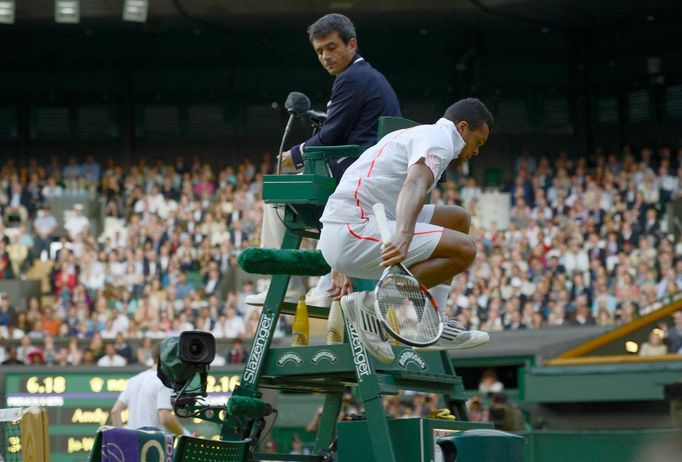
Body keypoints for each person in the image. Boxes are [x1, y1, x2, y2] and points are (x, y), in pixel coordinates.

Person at [318, 98, 492, 362]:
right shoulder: (441, 141)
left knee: (458, 218)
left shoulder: (416, 134)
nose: (477, 151)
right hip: (352, 231)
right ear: (463, 127)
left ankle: (431, 321)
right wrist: (404, 235)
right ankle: (371, 304)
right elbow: (414, 186)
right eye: (478, 142)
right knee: (464, 249)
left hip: (354, 225)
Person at [246, 13, 401, 308]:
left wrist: (292, 156)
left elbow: (330, 138)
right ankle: (324, 285)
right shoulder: (371, 77)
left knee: (278, 198)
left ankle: (281, 287)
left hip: (355, 172)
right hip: (372, 174)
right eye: (319, 51)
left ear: (351, 44)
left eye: (331, 47)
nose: (325, 56)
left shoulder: (351, 78)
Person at [110, 343, 189, 436]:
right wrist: (185, 434)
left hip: (133, 445)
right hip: (153, 446)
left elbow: (115, 411)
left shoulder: (133, 380)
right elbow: (165, 418)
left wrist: (122, 439)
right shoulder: (164, 383)